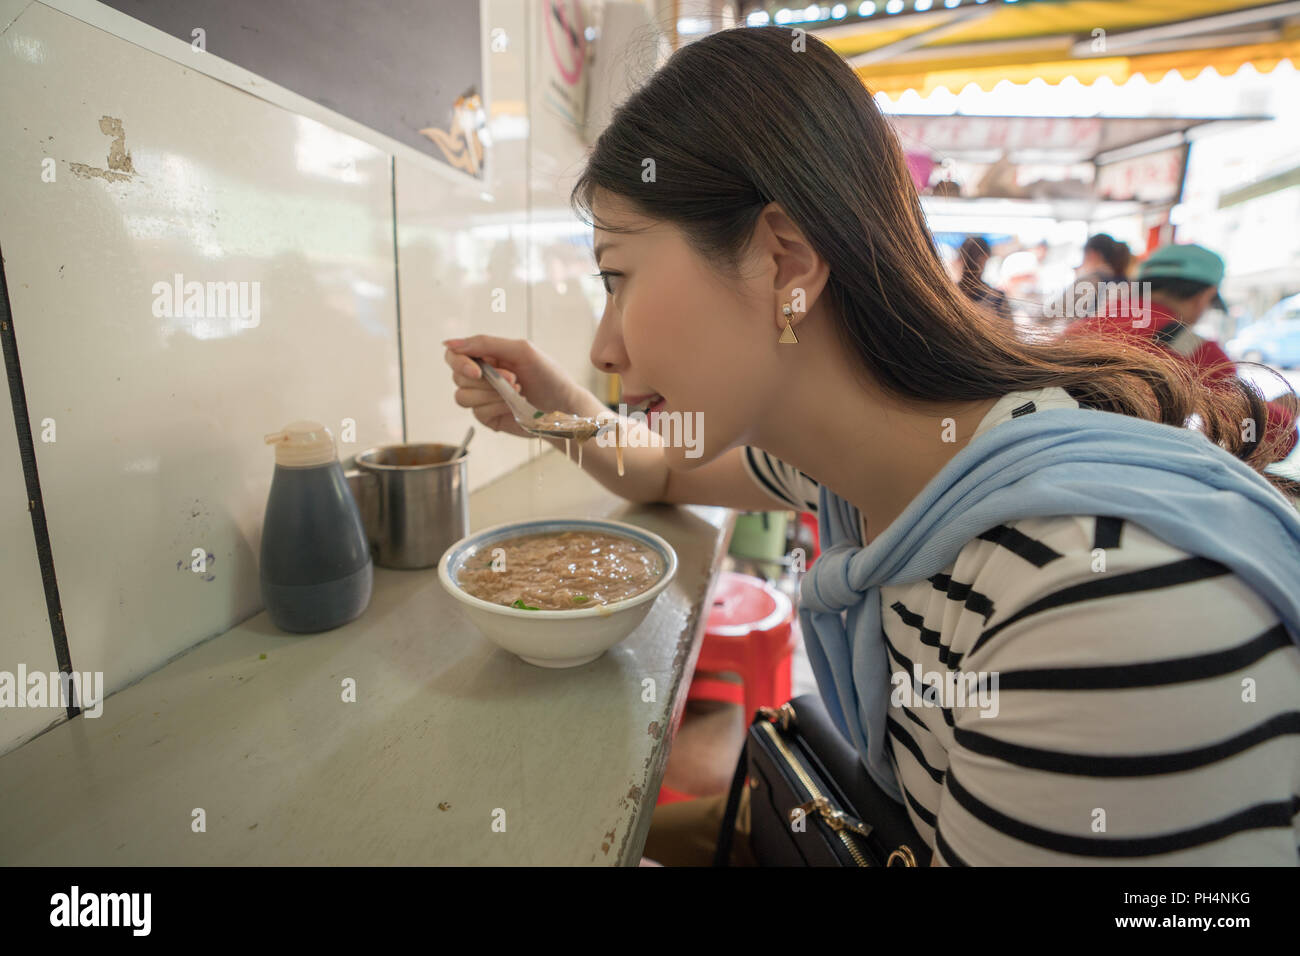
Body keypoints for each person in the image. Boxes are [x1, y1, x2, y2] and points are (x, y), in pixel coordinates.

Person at [442, 26, 1300, 865]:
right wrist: (549, 411)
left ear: (784, 261)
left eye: (616, 278)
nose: (605, 349)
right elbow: (664, 466)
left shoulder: (1099, 605)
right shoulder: (853, 470)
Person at [1064, 242, 1298, 459]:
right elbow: (1264, 438)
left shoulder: (1086, 326)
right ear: (1204, 296)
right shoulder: (1194, 349)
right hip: (1123, 468)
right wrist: (1281, 412)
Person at [956, 236, 1012, 322]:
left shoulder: (949, 294)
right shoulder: (996, 298)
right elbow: (1010, 332)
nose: (973, 262)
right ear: (986, 258)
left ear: (960, 258)